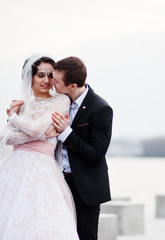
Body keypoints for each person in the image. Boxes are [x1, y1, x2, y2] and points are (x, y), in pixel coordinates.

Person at [0, 55, 79, 240]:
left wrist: (14, 118)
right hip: (14, 167)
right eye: (41, 75)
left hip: (43, 168)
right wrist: (37, 132)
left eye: (50, 75)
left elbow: (36, 129)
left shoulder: (60, 101)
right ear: (31, 77)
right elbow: (6, 137)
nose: (47, 81)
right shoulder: (22, 104)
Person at [48, 56, 113, 240]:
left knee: (85, 236)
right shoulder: (59, 102)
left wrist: (67, 134)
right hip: (57, 183)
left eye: (56, 80)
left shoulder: (101, 109)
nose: (51, 82)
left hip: (86, 188)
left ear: (73, 85)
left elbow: (96, 154)